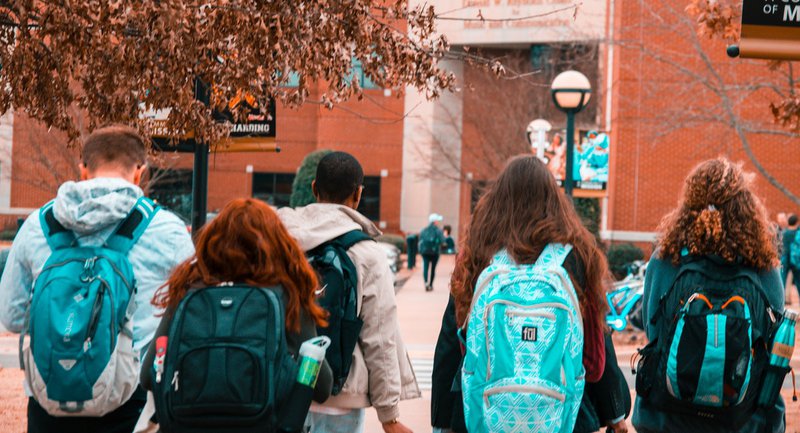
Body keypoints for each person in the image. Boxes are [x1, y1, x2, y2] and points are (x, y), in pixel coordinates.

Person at [0, 125, 195, 433]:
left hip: (49, 399)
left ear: (83, 169)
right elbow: (189, 319)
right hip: (130, 403)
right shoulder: (168, 230)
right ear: (140, 171)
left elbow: (11, 317)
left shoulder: (38, 226)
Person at [449, 155, 610, 432]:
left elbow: (459, 346)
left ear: (497, 199)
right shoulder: (578, 256)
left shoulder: (478, 253)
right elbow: (594, 364)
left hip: (486, 417)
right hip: (558, 418)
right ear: (554, 200)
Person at [140, 198, 333, 424]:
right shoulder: (286, 295)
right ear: (276, 244)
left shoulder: (189, 291)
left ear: (213, 242)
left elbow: (148, 376)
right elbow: (322, 386)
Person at [632, 158, 785, 433]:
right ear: (745, 207)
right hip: (744, 420)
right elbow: (774, 343)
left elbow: (653, 330)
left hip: (667, 416)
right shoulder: (763, 265)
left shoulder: (666, 259)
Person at [277, 151, 420, 433]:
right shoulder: (366, 253)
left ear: (314, 188)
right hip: (340, 400)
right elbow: (380, 338)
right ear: (358, 195)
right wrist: (388, 416)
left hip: (284, 389)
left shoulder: (280, 240)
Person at [419, 213, 446, 291]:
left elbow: (420, 240)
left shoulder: (424, 230)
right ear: (435, 222)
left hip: (425, 252)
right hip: (435, 252)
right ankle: (430, 284)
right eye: (437, 220)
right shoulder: (438, 230)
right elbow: (443, 240)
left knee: (426, 267)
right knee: (433, 269)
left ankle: (426, 282)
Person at [781, 214, 798, 293]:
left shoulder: (784, 233)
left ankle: (781, 301)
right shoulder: (798, 233)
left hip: (785, 259)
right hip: (796, 259)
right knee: (798, 281)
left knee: (782, 281)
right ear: (796, 222)